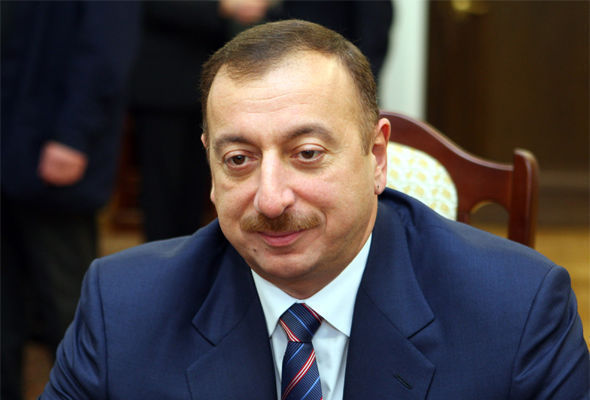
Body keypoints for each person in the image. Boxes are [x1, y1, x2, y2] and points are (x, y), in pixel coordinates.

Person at [41, 20, 588, 399]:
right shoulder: (123, 307)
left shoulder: (516, 309)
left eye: (307, 154)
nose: (270, 199)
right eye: (238, 159)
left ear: (376, 157)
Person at [1, 2, 139, 399]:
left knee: (68, 303)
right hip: (11, 143)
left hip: (54, 150)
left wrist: (73, 136)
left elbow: (106, 51)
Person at [128, 0, 270, 242]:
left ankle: (191, 253)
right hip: (163, 85)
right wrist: (224, 7)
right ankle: (165, 258)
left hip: (210, 85)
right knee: (163, 191)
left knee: (196, 188)